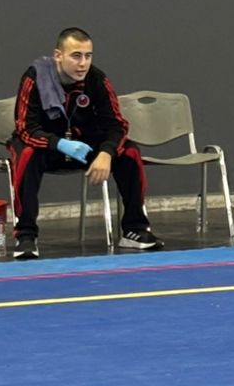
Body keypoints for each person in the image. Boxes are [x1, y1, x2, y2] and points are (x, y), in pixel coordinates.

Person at [9, 27, 164, 259]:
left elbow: (117, 125)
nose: (83, 63)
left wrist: (106, 153)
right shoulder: (35, 77)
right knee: (27, 154)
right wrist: (59, 143)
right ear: (58, 55)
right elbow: (25, 128)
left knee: (130, 153)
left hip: (84, 147)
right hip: (47, 146)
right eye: (76, 56)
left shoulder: (97, 79)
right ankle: (26, 235)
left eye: (87, 56)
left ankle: (135, 229)